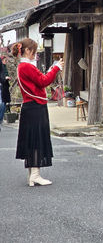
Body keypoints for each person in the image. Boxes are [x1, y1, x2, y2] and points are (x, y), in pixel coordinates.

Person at [12, 38, 63, 186]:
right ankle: (35, 174)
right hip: (35, 106)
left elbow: (40, 79)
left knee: (32, 139)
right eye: (33, 51)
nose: (35, 54)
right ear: (27, 51)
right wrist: (56, 68)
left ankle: (32, 174)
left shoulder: (23, 66)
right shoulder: (27, 67)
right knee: (37, 139)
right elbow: (43, 81)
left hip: (30, 106)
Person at [0, 56, 10, 131]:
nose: (5, 61)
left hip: (4, 86)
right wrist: (4, 78)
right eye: (5, 60)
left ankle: (1, 118)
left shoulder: (4, 67)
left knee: (3, 103)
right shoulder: (2, 67)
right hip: (2, 86)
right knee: (2, 103)